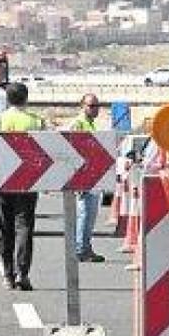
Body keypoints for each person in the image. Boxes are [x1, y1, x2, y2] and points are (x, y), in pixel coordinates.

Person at [0, 82, 46, 291]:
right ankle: (23, 273)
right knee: (25, 229)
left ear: (7, 99)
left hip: (3, 182)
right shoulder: (37, 122)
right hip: (28, 183)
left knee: (6, 230)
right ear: (26, 99)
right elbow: (43, 155)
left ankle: (8, 275)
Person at [65, 93, 105, 262]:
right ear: (83, 106)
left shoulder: (91, 124)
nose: (95, 109)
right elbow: (73, 152)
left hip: (92, 176)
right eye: (91, 106)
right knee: (85, 213)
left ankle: (86, 247)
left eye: (97, 106)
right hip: (84, 177)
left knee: (90, 214)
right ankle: (81, 249)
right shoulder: (78, 124)